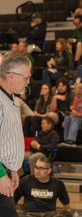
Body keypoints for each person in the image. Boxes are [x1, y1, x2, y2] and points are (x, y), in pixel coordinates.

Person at [0, 52, 31, 216]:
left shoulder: (11, 99)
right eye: (26, 78)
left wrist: (13, 170)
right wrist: (1, 174)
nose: (28, 82)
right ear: (11, 76)